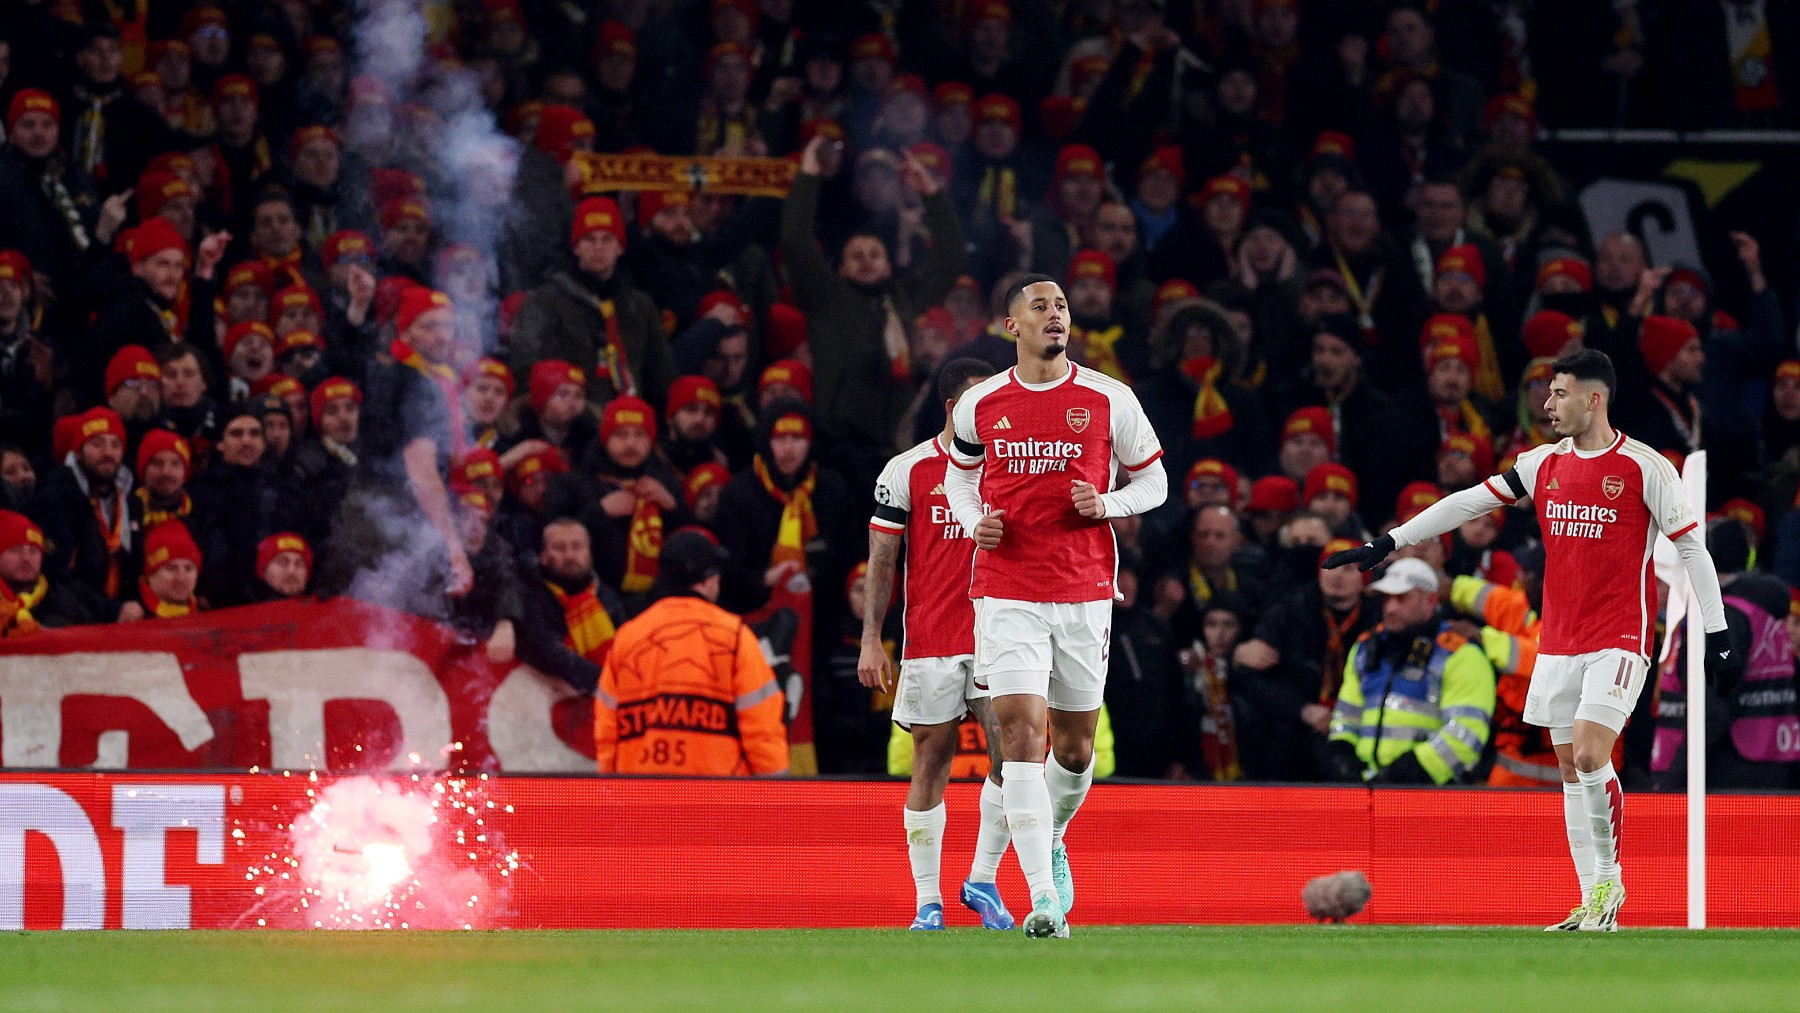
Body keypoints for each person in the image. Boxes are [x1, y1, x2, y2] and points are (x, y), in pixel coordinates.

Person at [1325, 348, 1742, 932]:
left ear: (1593, 399)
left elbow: (1692, 549)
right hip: (1559, 641)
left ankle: (1610, 883)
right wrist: (1388, 543)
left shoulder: (1646, 467)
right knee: (1572, 769)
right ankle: (1592, 902)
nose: (1547, 404)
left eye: (1559, 393)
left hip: (1619, 637)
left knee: (1595, 754)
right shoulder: (1542, 464)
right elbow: (1468, 500)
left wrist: (1717, 632)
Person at [944, 273, 1169, 938]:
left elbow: (1155, 477)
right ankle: (1043, 897)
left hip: (1084, 592)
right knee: (1019, 732)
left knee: (1072, 750)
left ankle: (1055, 834)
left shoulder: (1108, 398)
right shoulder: (981, 403)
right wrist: (971, 520)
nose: (1055, 316)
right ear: (1009, 324)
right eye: (1039, 307)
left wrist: (1109, 504)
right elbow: (958, 474)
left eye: (1062, 306)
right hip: (1007, 589)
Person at [859, 357, 1012, 932]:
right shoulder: (907, 470)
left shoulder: (1012, 468)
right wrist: (872, 639)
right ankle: (928, 901)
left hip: (1001, 639)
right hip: (930, 643)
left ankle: (983, 879)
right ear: (954, 409)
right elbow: (883, 560)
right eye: (980, 405)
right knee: (931, 762)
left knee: (1015, 758)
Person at [594, 529, 789, 776]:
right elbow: (761, 727)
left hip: (641, 798)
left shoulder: (628, 636)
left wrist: (610, 787)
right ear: (706, 581)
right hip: (716, 800)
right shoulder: (735, 636)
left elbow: (607, 726)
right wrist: (777, 793)